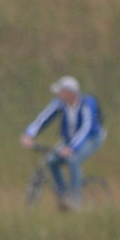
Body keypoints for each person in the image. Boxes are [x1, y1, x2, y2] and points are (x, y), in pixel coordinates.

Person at [21, 75, 103, 211]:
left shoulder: (87, 104)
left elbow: (86, 128)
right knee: (51, 161)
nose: (58, 94)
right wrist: (29, 134)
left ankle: (75, 201)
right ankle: (64, 197)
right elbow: (44, 118)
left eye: (60, 91)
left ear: (70, 93)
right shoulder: (60, 103)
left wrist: (72, 148)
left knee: (73, 160)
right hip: (70, 139)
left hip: (91, 139)